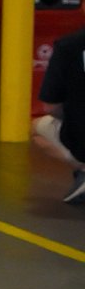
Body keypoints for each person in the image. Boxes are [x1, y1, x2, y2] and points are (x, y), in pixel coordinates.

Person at [31, 26, 85, 204]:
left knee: (37, 129)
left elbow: (51, 107)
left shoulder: (68, 46)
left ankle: (82, 167)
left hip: (81, 139)